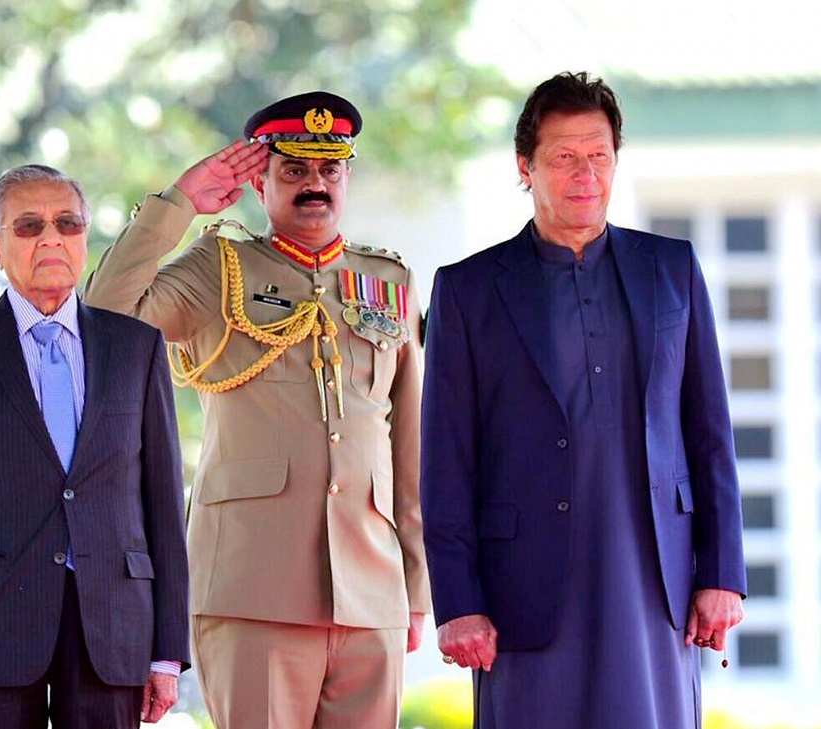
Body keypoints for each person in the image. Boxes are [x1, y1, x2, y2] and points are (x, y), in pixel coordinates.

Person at [83, 91, 431, 729]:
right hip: (253, 584)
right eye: (294, 170)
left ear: (348, 176)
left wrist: (416, 584)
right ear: (259, 183)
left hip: (371, 587)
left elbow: (410, 442)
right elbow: (104, 315)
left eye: (330, 170)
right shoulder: (221, 266)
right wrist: (179, 205)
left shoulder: (389, 282)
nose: (314, 185)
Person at [420, 72, 747, 729]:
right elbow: (446, 460)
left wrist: (722, 573)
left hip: (653, 582)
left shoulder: (672, 270)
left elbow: (709, 431)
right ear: (525, 166)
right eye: (564, 157)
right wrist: (458, 599)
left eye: (598, 155)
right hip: (523, 593)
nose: (584, 174)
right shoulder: (469, 290)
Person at [0, 165, 189, 729]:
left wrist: (168, 651)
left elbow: (163, 506)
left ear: (84, 237)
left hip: (113, 628)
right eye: (29, 226)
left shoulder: (138, 347)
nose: (52, 238)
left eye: (67, 223)